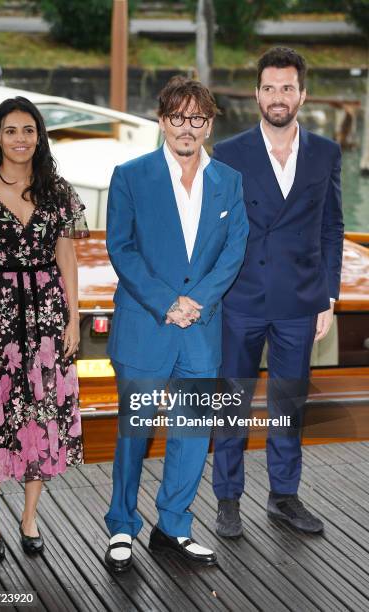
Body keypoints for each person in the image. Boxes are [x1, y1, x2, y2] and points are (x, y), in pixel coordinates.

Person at [104, 75, 249, 572]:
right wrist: (168, 302)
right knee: (134, 434)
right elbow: (120, 248)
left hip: (201, 330)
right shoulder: (130, 175)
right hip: (147, 325)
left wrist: (196, 302)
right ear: (163, 120)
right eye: (179, 117)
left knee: (192, 433)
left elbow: (234, 252)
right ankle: (122, 526)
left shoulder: (229, 181)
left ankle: (173, 527)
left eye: (199, 118)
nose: (189, 128)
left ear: (209, 124)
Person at [212, 47, 344, 537]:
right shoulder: (228, 152)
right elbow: (216, 232)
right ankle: (228, 500)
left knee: (289, 404)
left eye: (287, 87)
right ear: (257, 95)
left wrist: (328, 296)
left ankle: (283, 497)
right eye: (269, 87)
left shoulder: (326, 152)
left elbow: (333, 227)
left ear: (302, 94)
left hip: (299, 302)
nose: (277, 96)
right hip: (240, 300)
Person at [0, 96, 89, 561]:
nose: (20, 139)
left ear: (39, 136)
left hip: (46, 319)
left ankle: (30, 518)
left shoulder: (58, 192)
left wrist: (73, 319)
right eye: (11, 130)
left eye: (28, 130)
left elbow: (67, 259)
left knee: (40, 415)